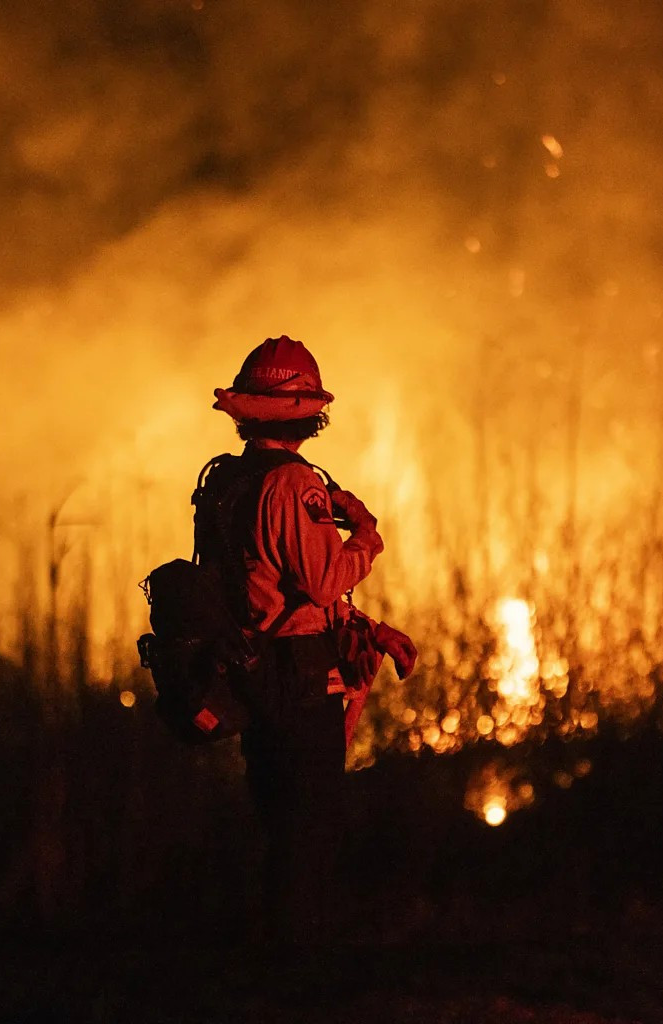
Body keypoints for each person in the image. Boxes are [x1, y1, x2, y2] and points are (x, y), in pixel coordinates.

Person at [204, 335, 417, 967]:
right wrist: (367, 538)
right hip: (299, 677)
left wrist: (365, 628)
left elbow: (263, 580)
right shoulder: (294, 485)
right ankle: (300, 966)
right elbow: (323, 580)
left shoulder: (227, 479)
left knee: (275, 815)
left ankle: (270, 954)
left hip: (250, 668)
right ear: (307, 412)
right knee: (310, 824)